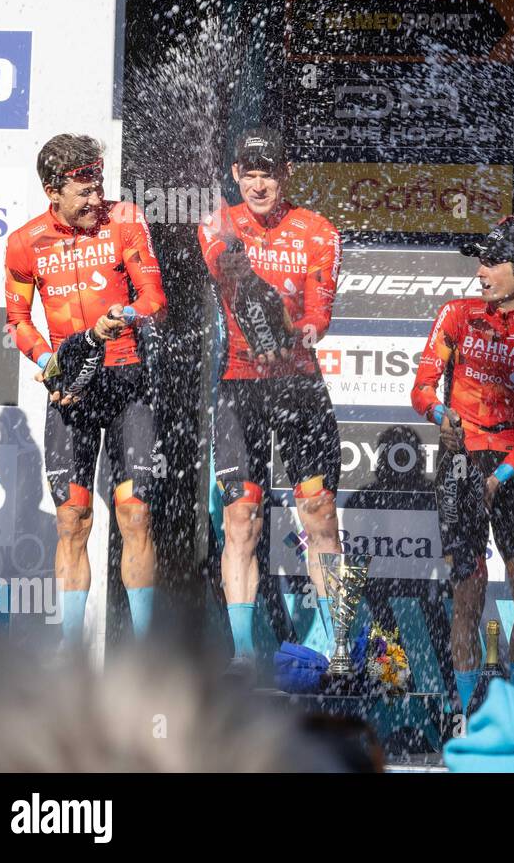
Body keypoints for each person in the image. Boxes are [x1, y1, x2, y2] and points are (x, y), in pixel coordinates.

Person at [3, 134, 166, 647]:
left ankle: (143, 652)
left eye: (99, 187)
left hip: (126, 379)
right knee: (73, 519)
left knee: (134, 513)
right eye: (84, 192)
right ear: (53, 191)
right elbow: (16, 320)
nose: (97, 200)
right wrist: (51, 364)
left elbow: (155, 297)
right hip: (70, 392)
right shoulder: (25, 242)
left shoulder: (125, 220)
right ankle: (71, 647)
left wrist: (129, 315)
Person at [198, 128, 342, 676]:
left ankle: (334, 645)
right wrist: (248, 278)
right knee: (242, 520)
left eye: (269, 173)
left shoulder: (319, 231)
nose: (259, 184)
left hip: (299, 385)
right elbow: (222, 261)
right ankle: (241, 653)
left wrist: (291, 328)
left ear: (286, 175)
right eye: (249, 173)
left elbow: (318, 320)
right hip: (240, 387)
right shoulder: (217, 221)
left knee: (320, 513)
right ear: (236, 174)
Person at [411, 216, 514, 711]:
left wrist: (501, 477)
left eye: (492, 261)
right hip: (459, 461)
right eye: (479, 260)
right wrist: (441, 414)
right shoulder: (456, 314)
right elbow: (421, 388)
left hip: (511, 469)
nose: (481, 271)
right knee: (467, 595)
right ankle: (464, 715)